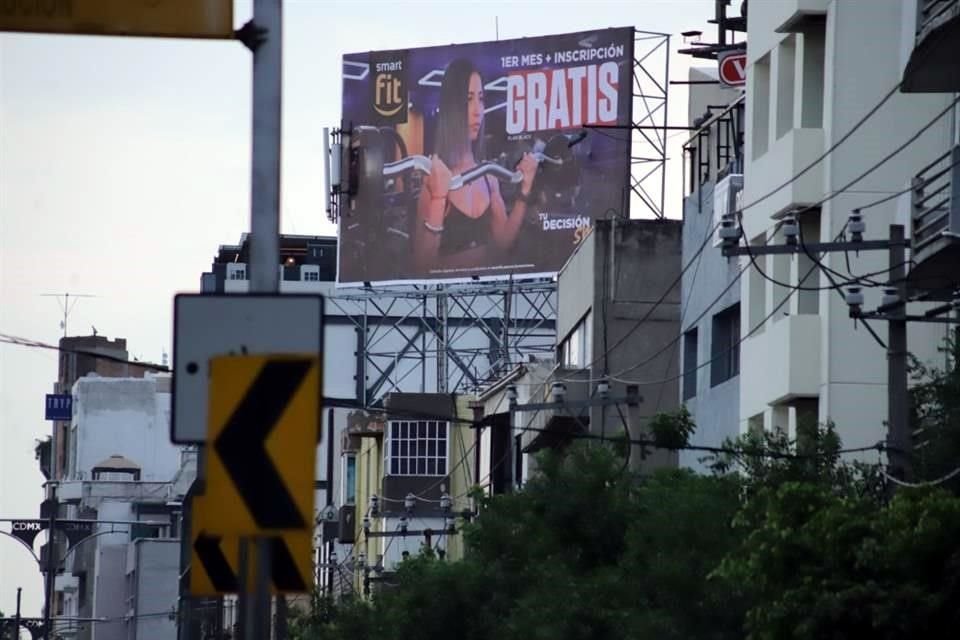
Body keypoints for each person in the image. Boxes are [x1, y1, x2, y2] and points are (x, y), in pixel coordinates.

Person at [413, 58, 538, 275]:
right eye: (468, 99)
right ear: (452, 106)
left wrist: (525, 190)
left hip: (486, 298)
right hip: (445, 301)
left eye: (480, 99)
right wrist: (438, 198)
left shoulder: (489, 177)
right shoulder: (434, 178)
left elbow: (503, 243)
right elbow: (422, 266)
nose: (477, 111)